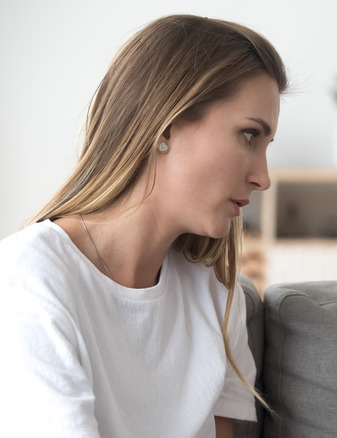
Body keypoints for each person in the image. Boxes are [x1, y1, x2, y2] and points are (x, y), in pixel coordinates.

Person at [0, 15, 286, 437]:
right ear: (165, 124)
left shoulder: (216, 296)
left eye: (265, 145)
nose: (263, 177)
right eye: (248, 136)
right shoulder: (30, 278)